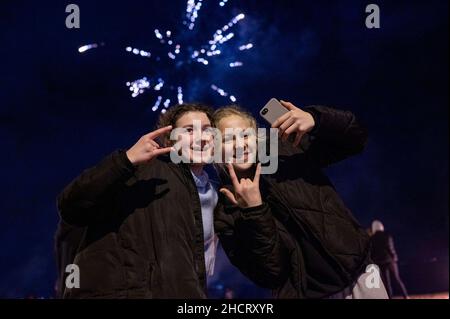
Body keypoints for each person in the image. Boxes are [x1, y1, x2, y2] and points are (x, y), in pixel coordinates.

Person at [213, 102, 388, 298]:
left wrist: (317, 120)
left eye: (245, 135)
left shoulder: (286, 149)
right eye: (228, 139)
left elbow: (357, 139)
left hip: (361, 274)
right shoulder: (225, 211)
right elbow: (270, 275)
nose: (240, 144)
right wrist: (254, 211)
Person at [56, 103, 220, 298]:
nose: (201, 138)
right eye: (189, 130)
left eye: (207, 130)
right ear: (170, 141)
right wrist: (126, 160)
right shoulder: (144, 173)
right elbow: (71, 205)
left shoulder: (214, 195)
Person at [370, 220, 409, 298]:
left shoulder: (372, 238)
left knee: (387, 283)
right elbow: (390, 247)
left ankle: (390, 297)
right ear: (381, 226)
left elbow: (372, 252)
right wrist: (394, 256)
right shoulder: (387, 235)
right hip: (390, 261)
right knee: (397, 279)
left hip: (380, 263)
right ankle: (405, 296)